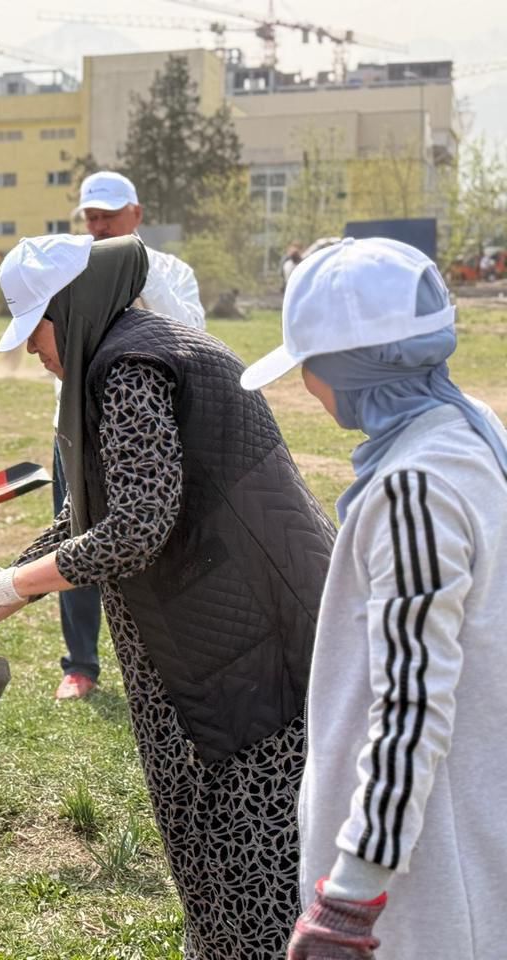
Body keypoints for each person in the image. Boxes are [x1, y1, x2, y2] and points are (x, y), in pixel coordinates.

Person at [0, 233, 334, 959]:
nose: (38, 353)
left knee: (248, 861)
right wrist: (6, 583)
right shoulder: (142, 346)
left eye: (37, 332)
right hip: (229, 641)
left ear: (70, 309)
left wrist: (11, 586)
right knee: (226, 866)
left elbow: (138, 527)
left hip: (243, 661)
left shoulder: (129, 367)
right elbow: (100, 510)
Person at [241, 238, 507, 960]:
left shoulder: (413, 488)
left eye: (311, 367)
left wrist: (350, 901)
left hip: (422, 884)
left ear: (352, 366)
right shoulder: (469, 434)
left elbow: (413, 706)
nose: (306, 387)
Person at [52, 170, 206, 700]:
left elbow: (193, 337)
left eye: (108, 217)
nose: (97, 227)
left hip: (153, 433)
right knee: (75, 537)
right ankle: (80, 665)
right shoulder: (67, 270)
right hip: (77, 430)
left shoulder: (171, 272)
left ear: (136, 216)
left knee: (152, 541)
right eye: (90, 217)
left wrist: (138, 274)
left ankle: (165, 664)